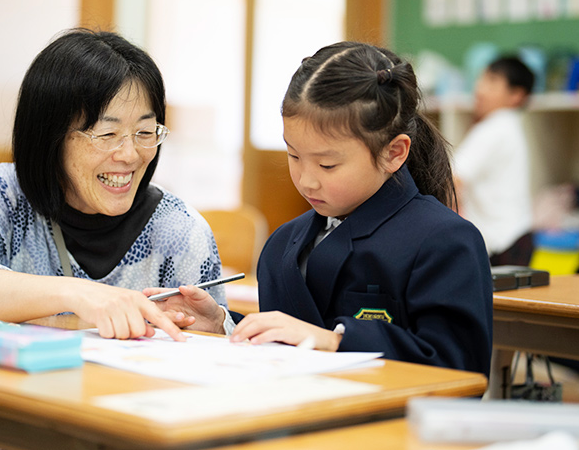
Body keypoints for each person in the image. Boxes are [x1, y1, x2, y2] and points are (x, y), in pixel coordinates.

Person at [153, 42, 493, 376]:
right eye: (294, 156)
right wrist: (222, 324)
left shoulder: (445, 241)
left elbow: (460, 369)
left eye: (327, 165)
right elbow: (289, 342)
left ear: (394, 153)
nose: (307, 180)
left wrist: (336, 342)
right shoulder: (284, 244)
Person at [0, 29, 232, 341]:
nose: (129, 155)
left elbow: (212, 363)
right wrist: (79, 294)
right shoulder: (5, 194)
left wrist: (217, 328)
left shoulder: (180, 229)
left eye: (144, 132)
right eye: (107, 134)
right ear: (52, 136)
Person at [454, 55, 535, 266]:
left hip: (502, 242)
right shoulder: (508, 125)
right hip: (514, 236)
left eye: (492, 81)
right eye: (480, 80)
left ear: (517, 95)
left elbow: (453, 178)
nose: (479, 89)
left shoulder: (495, 127)